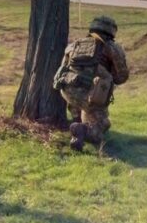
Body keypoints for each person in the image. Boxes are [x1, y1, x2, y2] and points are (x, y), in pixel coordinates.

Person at [53, 15, 130, 151]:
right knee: (103, 125)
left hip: (67, 92)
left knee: (82, 109)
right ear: (111, 32)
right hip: (90, 97)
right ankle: (84, 130)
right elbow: (121, 77)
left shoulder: (75, 44)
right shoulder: (112, 48)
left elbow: (63, 68)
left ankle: (77, 129)